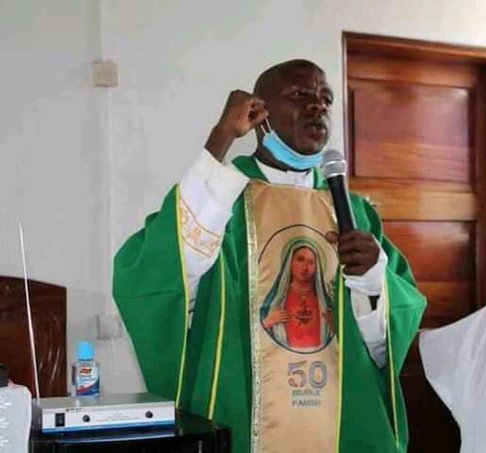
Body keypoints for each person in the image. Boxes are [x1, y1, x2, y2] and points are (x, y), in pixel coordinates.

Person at [113, 59, 426, 453]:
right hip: (244, 420)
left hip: (340, 425)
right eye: (300, 95)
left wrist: (372, 279)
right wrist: (221, 137)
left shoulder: (355, 212)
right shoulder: (223, 199)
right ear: (260, 114)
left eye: (326, 99)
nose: (317, 106)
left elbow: (384, 344)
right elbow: (162, 270)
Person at [260, 240, 334, 352]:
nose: (305, 267)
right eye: (300, 259)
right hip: (282, 359)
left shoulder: (324, 302)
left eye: (311, 262)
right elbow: (254, 333)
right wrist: (269, 321)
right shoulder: (276, 300)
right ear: (290, 262)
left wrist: (334, 325)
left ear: (317, 267)